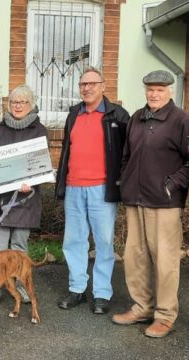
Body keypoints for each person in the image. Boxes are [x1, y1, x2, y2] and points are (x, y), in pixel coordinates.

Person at [111, 70, 189, 338]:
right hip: (135, 200)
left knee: (165, 261)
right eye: (150, 88)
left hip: (164, 203)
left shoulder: (183, 121)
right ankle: (141, 307)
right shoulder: (137, 118)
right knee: (135, 258)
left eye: (160, 89)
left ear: (170, 91)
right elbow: (126, 156)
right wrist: (125, 182)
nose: (154, 93)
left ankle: (164, 315)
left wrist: (170, 184)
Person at [54, 67, 129, 314]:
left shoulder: (117, 115)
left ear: (103, 86)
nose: (87, 88)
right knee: (74, 241)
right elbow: (67, 149)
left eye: (92, 83)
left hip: (102, 188)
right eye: (83, 84)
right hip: (75, 187)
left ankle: (102, 293)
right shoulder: (74, 114)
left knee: (104, 242)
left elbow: (127, 153)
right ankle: (77, 289)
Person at [0, 85, 47, 305]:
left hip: (24, 199)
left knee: (18, 249)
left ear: (31, 105)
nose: (18, 106)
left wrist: (31, 182)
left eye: (23, 102)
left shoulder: (39, 130)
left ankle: (20, 286)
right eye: (14, 102)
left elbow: (41, 164)